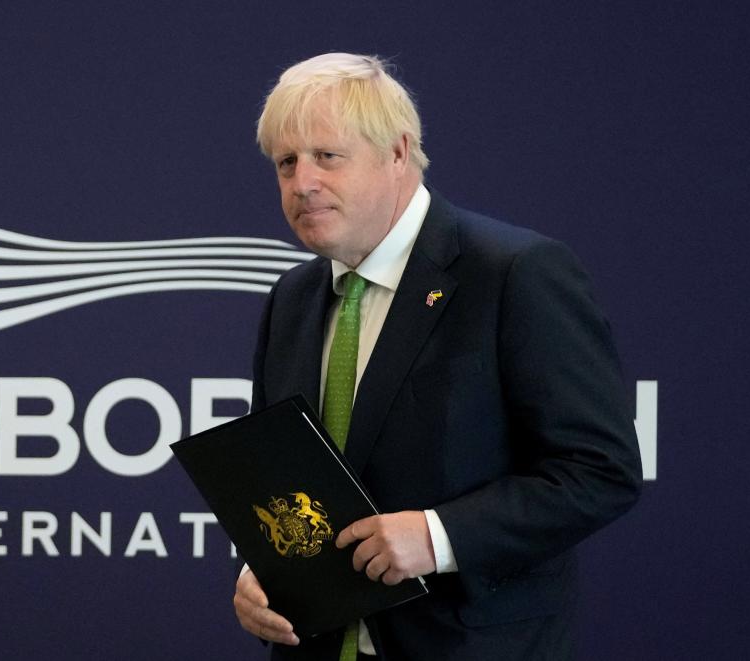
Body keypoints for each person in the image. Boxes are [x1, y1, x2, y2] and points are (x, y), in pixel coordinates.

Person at [233, 53, 642, 660]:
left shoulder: (515, 275)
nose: (302, 182)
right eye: (286, 163)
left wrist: (440, 536)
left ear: (398, 153)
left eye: (327, 156)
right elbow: (284, 485)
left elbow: (600, 470)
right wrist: (261, 569)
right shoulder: (292, 297)